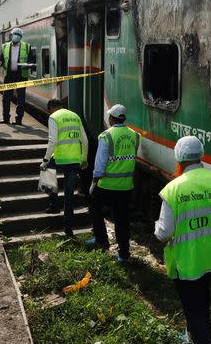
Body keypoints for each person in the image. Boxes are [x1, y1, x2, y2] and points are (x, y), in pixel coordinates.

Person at [154, 136, 211, 344]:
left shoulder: (173, 189)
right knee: (201, 301)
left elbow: (163, 234)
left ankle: (200, 337)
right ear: (200, 156)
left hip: (187, 262)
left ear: (178, 159)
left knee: (195, 310)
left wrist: (156, 226)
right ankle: (192, 334)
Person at [86, 104, 140, 262]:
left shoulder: (106, 136)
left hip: (106, 185)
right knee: (122, 220)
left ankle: (101, 240)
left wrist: (93, 183)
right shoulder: (135, 136)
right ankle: (124, 254)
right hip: (126, 186)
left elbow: (100, 163)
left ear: (111, 118)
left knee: (95, 209)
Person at [40, 98, 88, 237]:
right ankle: (68, 229)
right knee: (69, 195)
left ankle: (54, 205)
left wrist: (45, 160)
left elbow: (53, 140)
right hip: (74, 160)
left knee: (47, 170)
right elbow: (84, 140)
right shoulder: (75, 116)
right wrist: (83, 159)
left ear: (50, 108)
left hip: (59, 158)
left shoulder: (54, 117)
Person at [0, 27, 31, 125]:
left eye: (18, 35)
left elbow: (31, 60)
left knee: (21, 99)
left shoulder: (27, 46)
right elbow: (1, 58)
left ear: (21, 37)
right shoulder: (5, 46)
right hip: (9, 75)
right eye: (14, 34)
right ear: (11, 35)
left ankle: (18, 119)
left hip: (21, 75)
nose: (16, 36)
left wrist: (28, 65)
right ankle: (5, 118)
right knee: (6, 98)